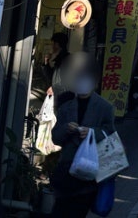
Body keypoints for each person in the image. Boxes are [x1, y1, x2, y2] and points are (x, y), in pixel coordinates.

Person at [50, 59, 115, 218]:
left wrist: (92, 132)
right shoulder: (66, 106)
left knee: (78, 211)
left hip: (90, 171)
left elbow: (111, 136)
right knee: (60, 211)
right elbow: (56, 138)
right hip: (67, 170)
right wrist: (66, 129)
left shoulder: (105, 108)